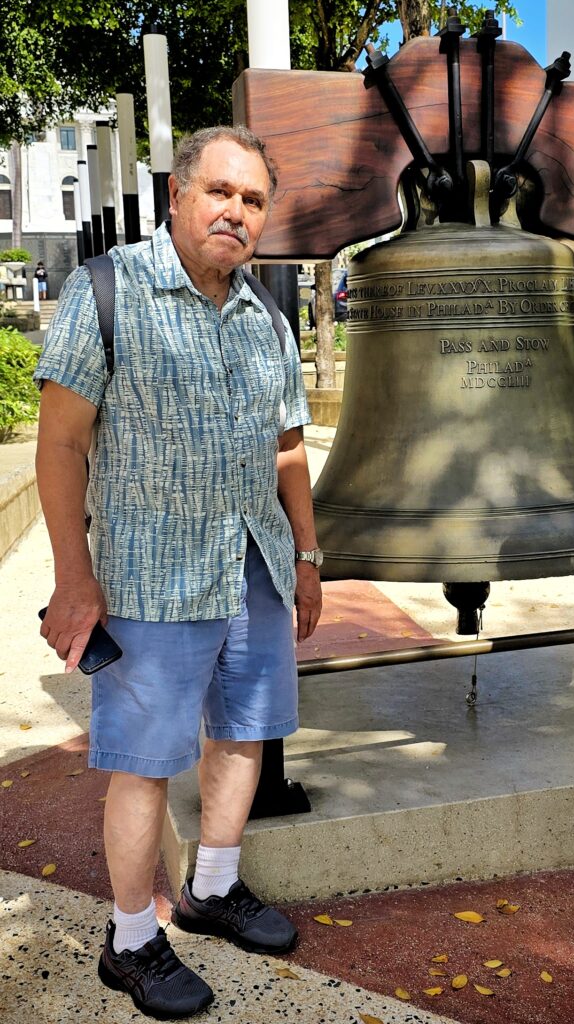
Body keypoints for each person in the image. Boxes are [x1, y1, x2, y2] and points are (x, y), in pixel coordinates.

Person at [35, 125, 323, 1020]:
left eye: (253, 201)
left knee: (242, 733)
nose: (236, 212)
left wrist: (306, 554)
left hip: (256, 565)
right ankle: (129, 941)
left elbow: (286, 451)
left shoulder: (266, 316)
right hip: (150, 578)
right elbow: (61, 443)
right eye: (220, 192)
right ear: (177, 195)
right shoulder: (108, 291)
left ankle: (213, 886)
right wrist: (74, 578)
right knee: (145, 762)